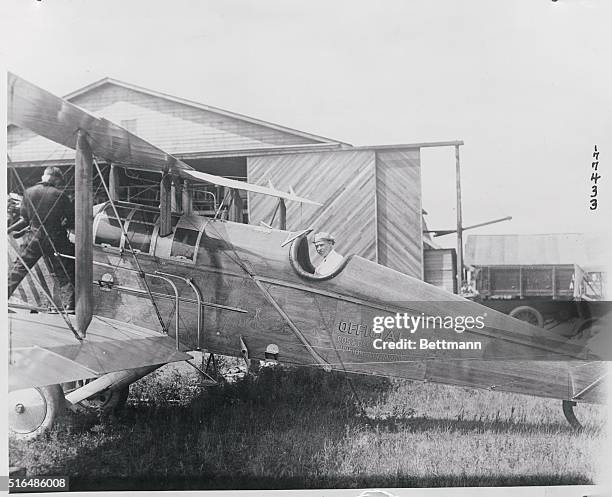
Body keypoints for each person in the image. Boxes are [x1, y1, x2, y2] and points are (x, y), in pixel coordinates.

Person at [8, 166, 75, 311]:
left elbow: (24, 219)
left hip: (34, 238)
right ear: (56, 179)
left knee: (19, 269)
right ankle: (69, 305)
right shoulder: (61, 195)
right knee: (65, 270)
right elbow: (71, 221)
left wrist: (8, 229)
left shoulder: (28, 192)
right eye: (59, 182)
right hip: (56, 239)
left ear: (44, 176)